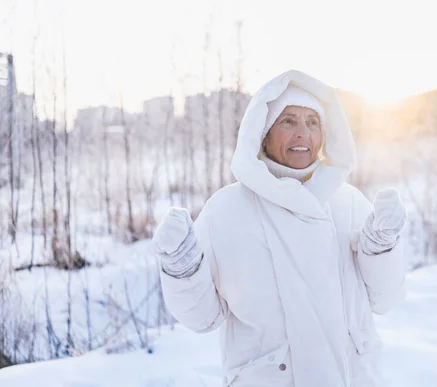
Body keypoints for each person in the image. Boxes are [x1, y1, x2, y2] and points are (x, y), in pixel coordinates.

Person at [152, 70, 407, 387]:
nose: (303, 133)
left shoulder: (349, 203)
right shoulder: (225, 211)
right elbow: (203, 317)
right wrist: (182, 267)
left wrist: (382, 248)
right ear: (263, 132)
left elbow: (385, 299)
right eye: (288, 121)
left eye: (312, 122)